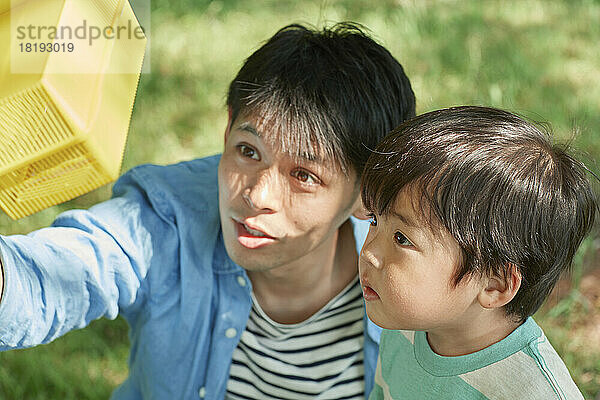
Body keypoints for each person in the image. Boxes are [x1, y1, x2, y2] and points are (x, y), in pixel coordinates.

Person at [0, 22, 416, 399]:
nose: (256, 195)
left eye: (304, 175)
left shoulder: (417, 268)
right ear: (228, 127)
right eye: (248, 151)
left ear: (368, 194)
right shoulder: (168, 217)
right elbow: (61, 270)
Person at [359, 106, 596, 400]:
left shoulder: (532, 392)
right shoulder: (404, 326)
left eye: (401, 238)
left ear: (494, 283)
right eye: (373, 220)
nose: (369, 252)